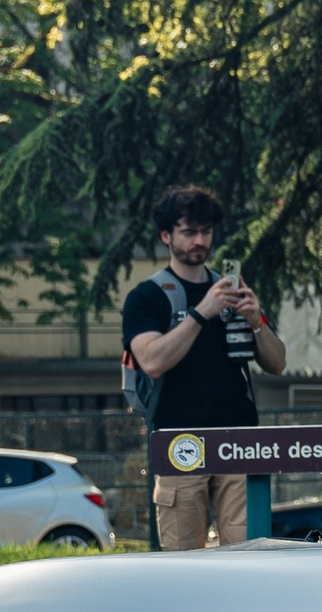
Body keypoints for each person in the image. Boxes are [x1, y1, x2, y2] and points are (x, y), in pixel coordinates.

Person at [123, 185, 287, 549]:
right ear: (166, 236)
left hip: (238, 439)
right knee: (184, 561)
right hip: (179, 440)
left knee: (249, 553)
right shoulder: (147, 297)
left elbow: (277, 363)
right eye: (189, 232)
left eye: (206, 231)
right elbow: (151, 361)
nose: (200, 241)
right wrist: (201, 313)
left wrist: (256, 320)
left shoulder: (232, 290)